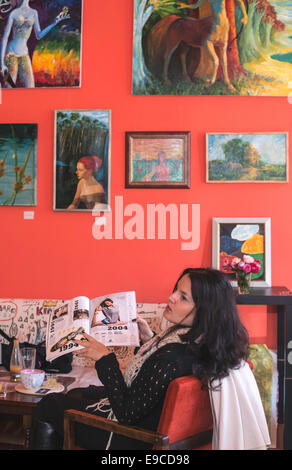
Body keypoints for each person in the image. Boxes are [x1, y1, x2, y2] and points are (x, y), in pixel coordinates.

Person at [31, 268, 267, 450]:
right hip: (152, 427)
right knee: (74, 394)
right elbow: (158, 377)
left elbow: (126, 413)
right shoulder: (202, 343)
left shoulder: (171, 358)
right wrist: (149, 339)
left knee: (49, 405)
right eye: (176, 289)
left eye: (183, 297)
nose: (171, 297)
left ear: (204, 310)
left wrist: (104, 357)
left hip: (131, 439)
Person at [0, 0, 70, 88]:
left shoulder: (34, 13)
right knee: (8, 86)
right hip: (10, 54)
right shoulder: (14, 13)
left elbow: (39, 35)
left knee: (30, 87)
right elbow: (5, 38)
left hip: (24, 54)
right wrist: (2, 63)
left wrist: (55, 22)